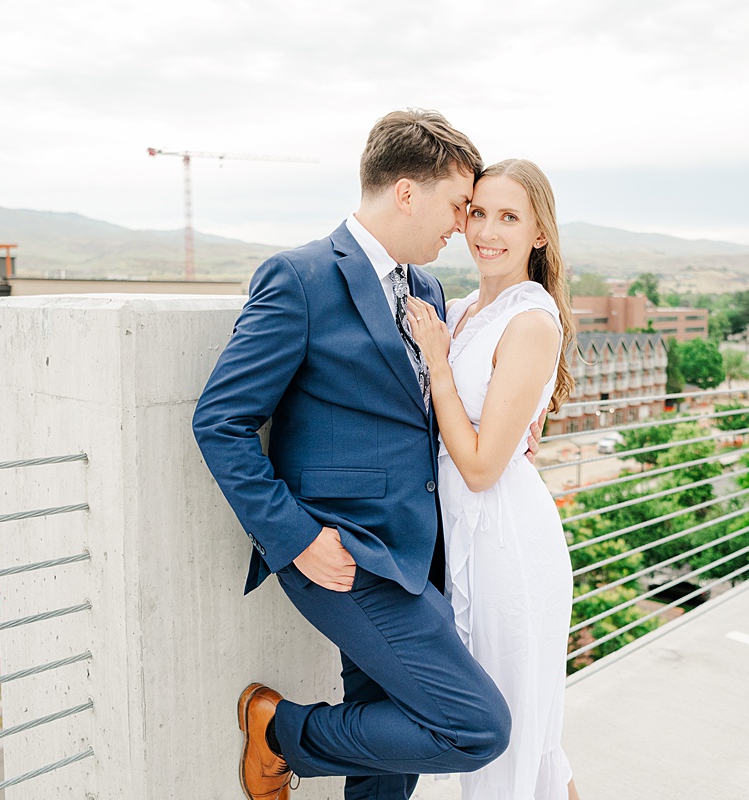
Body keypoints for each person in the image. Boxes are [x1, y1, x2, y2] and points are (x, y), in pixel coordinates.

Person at [192, 110, 539, 800]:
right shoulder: (300, 278)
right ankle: (280, 733)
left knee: (391, 765)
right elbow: (220, 421)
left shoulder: (427, 288)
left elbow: (419, 411)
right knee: (475, 726)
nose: (463, 225)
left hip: (418, 553)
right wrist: (295, 540)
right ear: (407, 192)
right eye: (458, 205)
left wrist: (506, 427)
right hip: (340, 555)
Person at [407, 158, 582, 800]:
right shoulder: (455, 311)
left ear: (540, 233)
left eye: (509, 216)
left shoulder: (531, 322)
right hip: (456, 535)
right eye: (477, 211)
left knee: (514, 736)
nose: (487, 229)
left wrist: (440, 369)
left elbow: (481, 467)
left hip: (506, 542)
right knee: (500, 740)